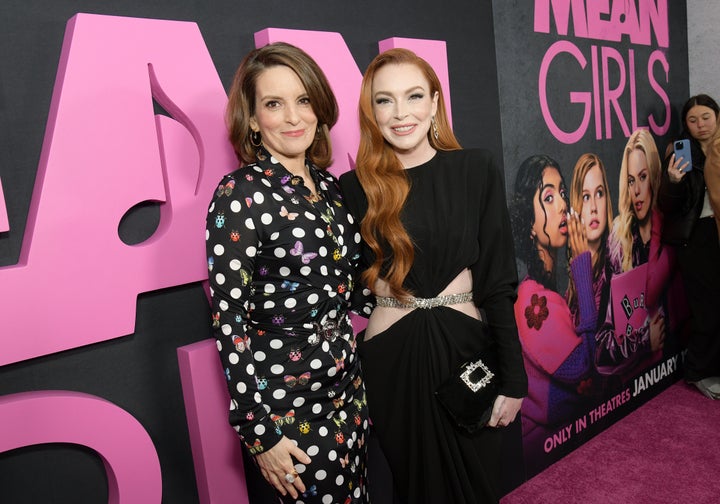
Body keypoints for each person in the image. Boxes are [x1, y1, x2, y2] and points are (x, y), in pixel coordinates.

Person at [339, 48, 526, 504]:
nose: (401, 113)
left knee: (478, 483)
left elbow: (498, 282)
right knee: (414, 487)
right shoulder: (352, 187)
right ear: (371, 112)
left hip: (465, 348)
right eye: (385, 101)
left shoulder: (474, 169)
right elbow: (343, 281)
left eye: (414, 96)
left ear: (436, 102)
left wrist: (514, 377)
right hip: (391, 358)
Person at [205, 42, 371, 503]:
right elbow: (228, 320)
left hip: (348, 393)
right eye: (274, 104)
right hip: (288, 411)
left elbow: (353, 295)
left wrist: (430, 301)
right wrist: (261, 434)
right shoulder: (239, 194)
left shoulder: (333, 189)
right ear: (253, 120)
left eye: (303, 100)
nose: (294, 117)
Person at [509, 154, 598, 473]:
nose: (562, 204)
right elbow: (585, 367)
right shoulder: (533, 299)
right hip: (543, 460)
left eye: (562, 192)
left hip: (565, 451)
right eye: (548, 197)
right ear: (528, 224)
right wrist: (582, 265)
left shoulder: (547, 293)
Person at [659, 94, 720, 399]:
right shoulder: (680, 151)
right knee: (707, 306)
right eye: (692, 120)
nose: (700, 126)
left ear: (717, 116)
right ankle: (698, 371)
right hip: (698, 235)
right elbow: (668, 206)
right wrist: (672, 181)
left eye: (706, 117)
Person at [598, 129, 673, 377]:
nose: (637, 190)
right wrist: (642, 341)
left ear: (655, 176)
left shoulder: (669, 231)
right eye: (631, 180)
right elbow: (602, 345)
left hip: (671, 370)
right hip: (632, 382)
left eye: (643, 177)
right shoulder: (619, 243)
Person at [566, 153, 614, 331]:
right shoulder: (571, 282)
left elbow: (597, 345)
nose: (594, 206)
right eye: (586, 197)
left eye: (599, 193)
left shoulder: (614, 268)